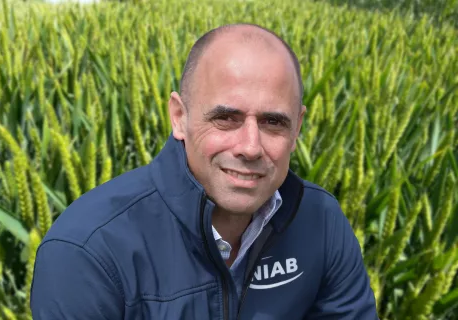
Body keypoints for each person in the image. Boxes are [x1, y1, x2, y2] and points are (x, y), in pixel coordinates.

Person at [30, 23, 379, 319]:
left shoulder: (321, 221)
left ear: (297, 127)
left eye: (273, 122)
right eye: (226, 118)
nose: (250, 146)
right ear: (179, 117)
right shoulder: (87, 252)